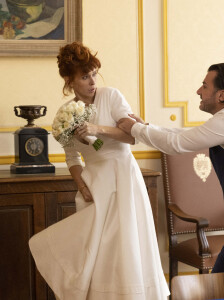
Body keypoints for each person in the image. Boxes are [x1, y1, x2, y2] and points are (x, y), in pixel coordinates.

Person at [117, 63, 224, 273]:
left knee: (222, 287)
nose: (198, 91)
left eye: (204, 86)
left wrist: (134, 129)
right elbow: (184, 135)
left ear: (221, 95)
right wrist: (145, 128)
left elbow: (176, 144)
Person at [29, 42, 169, 300]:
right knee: (98, 249)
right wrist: (81, 186)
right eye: (84, 76)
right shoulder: (65, 114)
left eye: (93, 73)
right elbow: (72, 157)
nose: (92, 81)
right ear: (69, 81)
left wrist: (97, 129)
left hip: (123, 176)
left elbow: (131, 138)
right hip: (94, 182)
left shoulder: (112, 96)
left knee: (125, 243)